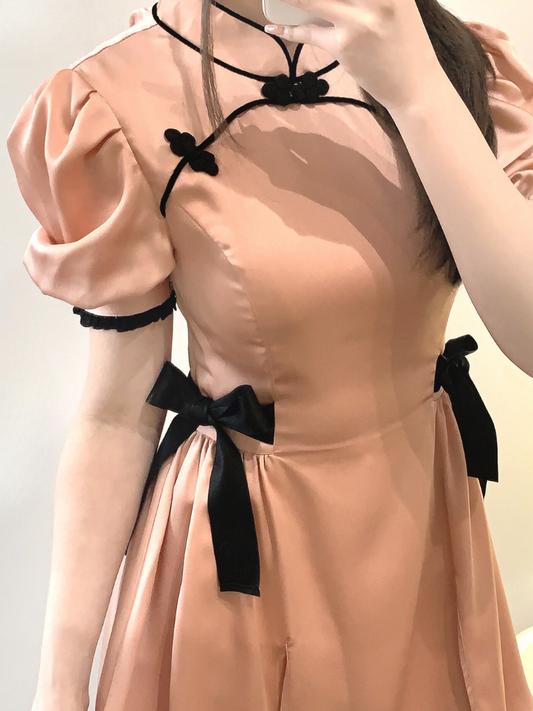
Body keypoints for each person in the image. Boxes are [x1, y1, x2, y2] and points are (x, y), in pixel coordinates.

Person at [6, 0, 533, 709]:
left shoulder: (453, 59)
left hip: (425, 522)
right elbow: (117, 411)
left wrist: (417, 88)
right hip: (248, 559)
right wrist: (60, 685)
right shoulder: (116, 97)